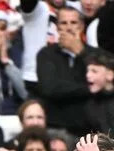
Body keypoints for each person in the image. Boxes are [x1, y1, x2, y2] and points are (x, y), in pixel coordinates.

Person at [35, 7, 96, 135]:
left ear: (82, 26)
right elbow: (49, 89)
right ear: (57, 27)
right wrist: (87, 89)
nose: (69, 28)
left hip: (89, 127)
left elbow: (99, 85)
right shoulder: (46, 54)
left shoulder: (95, 55)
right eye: (64, 23)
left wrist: (80, 53)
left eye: (73, 23)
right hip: (56, 127)